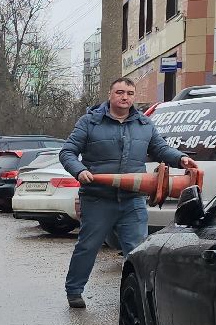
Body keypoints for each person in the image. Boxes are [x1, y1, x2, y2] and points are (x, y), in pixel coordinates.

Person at [58, 77, 197, 308]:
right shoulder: (89, 122)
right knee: (88, 246)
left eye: (130, 93)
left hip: (133, 199)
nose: (125, 97)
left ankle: (139, 294)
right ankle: (74, 291)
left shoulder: (144, 124)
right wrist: (79, 170)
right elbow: (67, 152)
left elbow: (160, 148)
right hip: (97, 197)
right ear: (110, 95)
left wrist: (180, 158)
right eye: (120, 92)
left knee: (137, 250)